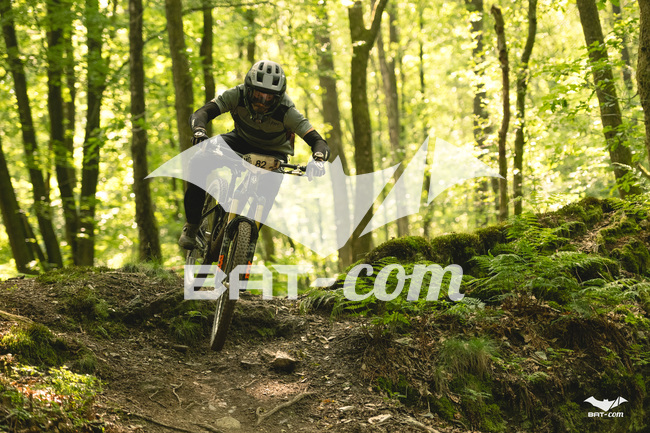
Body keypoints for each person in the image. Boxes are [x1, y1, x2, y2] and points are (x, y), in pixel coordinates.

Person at [179, 60, 330, 249]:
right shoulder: (237, 94)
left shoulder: (287, 111)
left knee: (269, 191)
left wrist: (318, 160)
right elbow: (202, 113)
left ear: (278, 97)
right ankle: (192, 226)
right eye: (258, 94)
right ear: (248, 89)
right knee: (198, 161)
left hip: (274, 152)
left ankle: (246, 244)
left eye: (269, 97)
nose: (262, 102)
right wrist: (199, 131)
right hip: (240, 140)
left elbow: (318, 141)